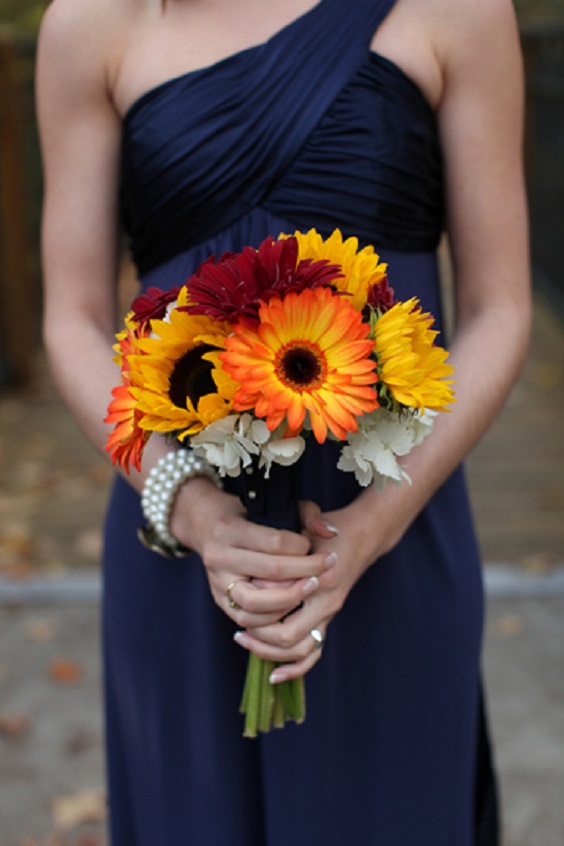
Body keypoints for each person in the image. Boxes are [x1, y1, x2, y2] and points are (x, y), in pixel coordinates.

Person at [36, 0, 530, 843]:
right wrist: (187, 505)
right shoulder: (90, 23)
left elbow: (502, 309)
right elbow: (72, 319)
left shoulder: (460, 10)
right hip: (179, 524)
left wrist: (369, 531)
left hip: (394, 518)